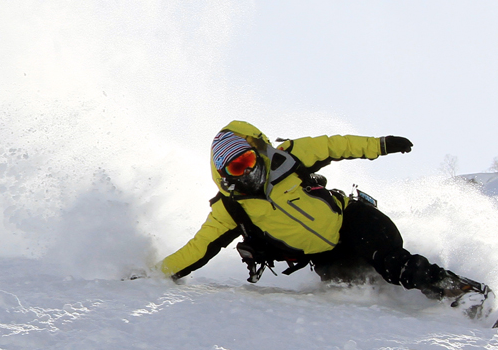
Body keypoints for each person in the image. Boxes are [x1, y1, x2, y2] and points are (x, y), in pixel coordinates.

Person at [158, 120, 490, 317]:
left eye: (247, 159)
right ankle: (416, 310)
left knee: (392, 263)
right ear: (223, 175)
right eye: (236, 167)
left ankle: (465, 293)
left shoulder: (288, 157)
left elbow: (335, 145)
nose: (247, 170)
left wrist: (381, 145)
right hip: (327, 256)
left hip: (353, 219)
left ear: (256, 151)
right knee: (354, 289)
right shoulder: (230, 209)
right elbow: (198, 249)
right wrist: (158, 274)